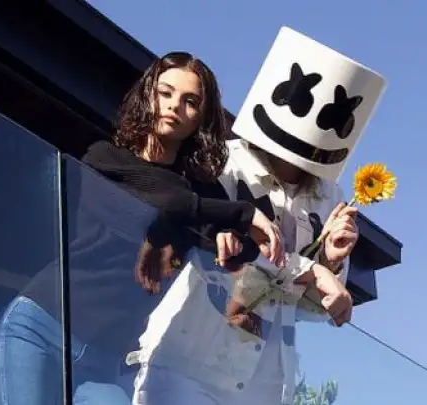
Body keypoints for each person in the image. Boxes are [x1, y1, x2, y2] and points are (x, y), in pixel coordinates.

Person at [0, 51, 282, 405]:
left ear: (201, 118)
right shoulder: (104, 159)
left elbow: (247, 248)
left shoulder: (199, 195)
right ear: (148, 97)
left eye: (190, 102)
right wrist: (240, 214)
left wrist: (233, 234)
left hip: (103, 364)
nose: (174, 106)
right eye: (165, 93)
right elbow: (158, 205)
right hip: (39, 327)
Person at [127, 26, 387, 405]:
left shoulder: (329, 197)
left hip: (263, 382)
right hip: (188, 360)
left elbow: (310, 309)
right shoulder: (224, 162)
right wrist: (312, 271)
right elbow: (213, 252)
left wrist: (330, 262)